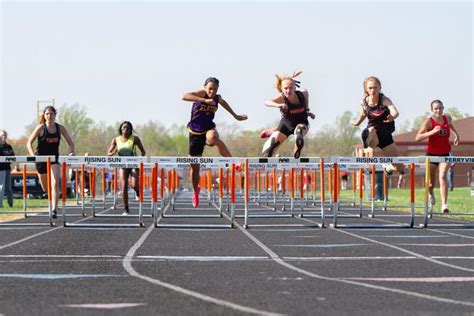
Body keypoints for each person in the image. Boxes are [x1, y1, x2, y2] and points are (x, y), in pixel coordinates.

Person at [183, 77, 247, 208]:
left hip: (208, 129)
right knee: (194, 170)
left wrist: (235, 116)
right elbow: (184, 96)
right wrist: (204, 100)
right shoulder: (201, 93)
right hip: (195, 134)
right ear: (205, 87)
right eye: (210, 89)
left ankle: (233, 163)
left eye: (215, 89)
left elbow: (223, 103)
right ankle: (196, 192)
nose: (212, 92)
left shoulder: (217, 98)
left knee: (213, 137)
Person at [27, 106, 75, 218]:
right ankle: (52, 198)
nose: (49, 116)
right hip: (40, 159)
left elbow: (71, 143)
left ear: (55, 115)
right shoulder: (40, 128)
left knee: (54, 183)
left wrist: (71, 152)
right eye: (47, 114)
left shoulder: (60, 128)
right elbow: (29, 143)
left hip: (54, 159)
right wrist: (32, 155)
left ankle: (54, 209)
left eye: (51, 114)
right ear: (44, 115)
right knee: (45, 188)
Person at [351, 76, 404, 175]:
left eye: (375, 87)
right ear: (366, 89)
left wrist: (392, 116)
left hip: (386, 136)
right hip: (373, 136)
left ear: (380, 88)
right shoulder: (363, 102)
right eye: (370, 88)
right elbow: (364, 113)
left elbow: (395, 111)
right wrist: (357, 122)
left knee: (401, 169)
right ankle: (366, 138)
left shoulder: (384, 100)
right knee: (371, 130)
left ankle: (387, 166)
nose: (373, 90)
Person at [415, 100, 460, 213]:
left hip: (445, 153)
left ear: (443, 108)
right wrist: (432, 132)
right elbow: (418, 138)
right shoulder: (429, 122)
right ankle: (431, 193)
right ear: (432, 110)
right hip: (432, 154)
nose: (438, 110)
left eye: (440, 108)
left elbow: (450, 125)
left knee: (443, 176)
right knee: (431, 183)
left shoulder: (447, 118)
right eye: (435, 108)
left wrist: (456, 135)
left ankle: (444, 204)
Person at [261, 71, 315, 158]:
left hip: (302, 123)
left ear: (295, 88)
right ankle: (273, 131)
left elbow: (306, 100)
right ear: (281, 89)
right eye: (286, 88)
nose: (288, 91)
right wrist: (278, 105)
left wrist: (307, 111)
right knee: (267, 154)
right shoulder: (281, 98)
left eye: (291, 88)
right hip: (286, 125)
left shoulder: (303, 94)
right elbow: (266, 102)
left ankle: (296, 154)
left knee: (299, 131)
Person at [107, 121, 146, 215]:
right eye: (124, 127)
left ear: (130, 130)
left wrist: (140, 158)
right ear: (121, 129)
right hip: (123, 165)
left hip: (133, 164)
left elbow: (143, 152)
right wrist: (114, 151)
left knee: (134, 184)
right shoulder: (116, 140)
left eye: (128, 128)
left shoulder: (135, 139)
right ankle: (126, 209)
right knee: (124, 186)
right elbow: (108, 153)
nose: (125, 129)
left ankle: (137, 190)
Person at [0, 130, 15, 208]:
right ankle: (0, 204)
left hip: (7, 169)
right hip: (0, 169)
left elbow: (12, 155)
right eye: (2, 135)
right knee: (1, 188)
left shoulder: (8, 146)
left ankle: (11, 203)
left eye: (5, 135)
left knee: (8, 187)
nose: (4, 137)